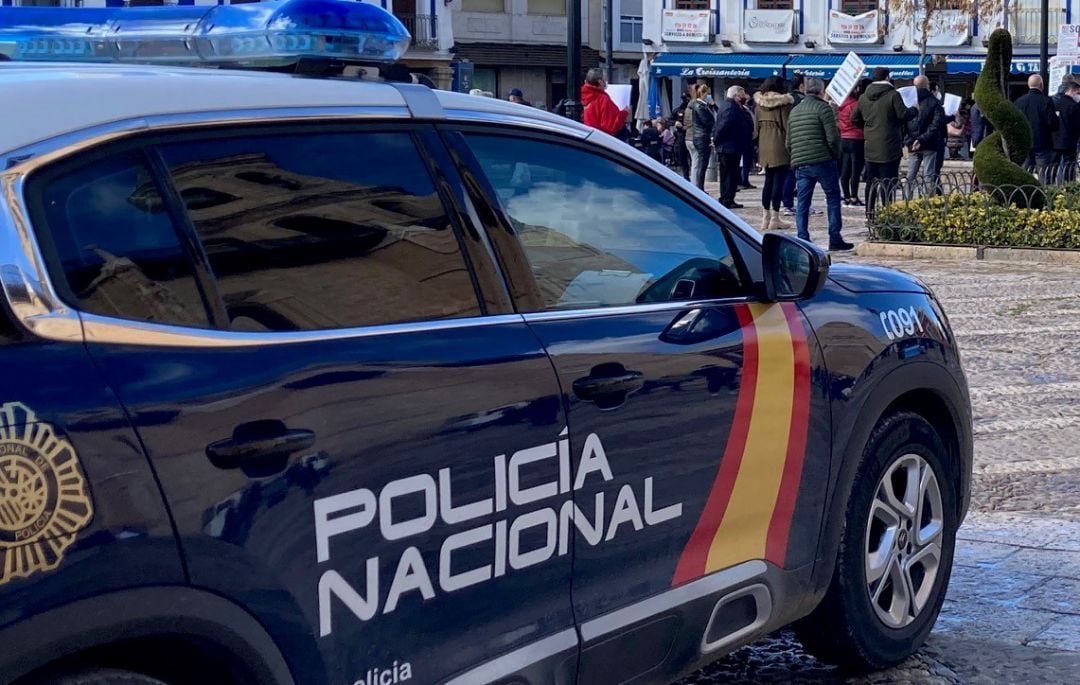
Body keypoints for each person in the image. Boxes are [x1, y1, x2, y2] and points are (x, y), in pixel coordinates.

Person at [786, 77, 852, 251]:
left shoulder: (795, 110)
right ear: (822, 91)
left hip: (801, 163)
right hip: (822, 160)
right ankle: (835, 237)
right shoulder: (824, 109)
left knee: (802, 202)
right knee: (832, 198)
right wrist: (835, 155)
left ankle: (803, 238)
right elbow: (833, 138)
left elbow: (788, 142)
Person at [852, 66, 917, 208]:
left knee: (871, 180)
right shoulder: (893, 95)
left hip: (870, 145)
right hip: (890, 144)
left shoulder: (863, 97)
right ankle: (887, 212)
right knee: (888, 181)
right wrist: (914, 109)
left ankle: (870, 212)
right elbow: (903, 115)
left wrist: (868, 129)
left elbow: (854, 118)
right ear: (887, 77)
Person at [753, 76, 794, 231]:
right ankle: (775, 218)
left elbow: (756, 129)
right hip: (780, 144)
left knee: (768, 181)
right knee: (779, 181)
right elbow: (788, 127)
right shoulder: (784, 105)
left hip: (764, 145)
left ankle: (765, 217)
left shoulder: (758, 106)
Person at [713, 85, 753, 209]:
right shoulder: (730, 107)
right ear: (736, 95)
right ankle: (727, 199)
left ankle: (728, 198)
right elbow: (723, 125)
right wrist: (716, 140)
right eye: (742, 95)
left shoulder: (730, 106)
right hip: (729, 147)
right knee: (729, 175)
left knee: (730, 174)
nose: (744, 97)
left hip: (732, 146)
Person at [905, 75, 945, 195]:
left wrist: (909, 141)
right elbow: (936, 125)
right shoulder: (934, 102)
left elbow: (904, 122)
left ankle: (906, 202)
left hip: (912, 144)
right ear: (927, 86)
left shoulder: (909, 101)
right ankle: (927, 203)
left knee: (910, 176)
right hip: (929, 143)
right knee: (928, 175)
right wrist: (922, 139)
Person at [1014, 74, 1058, 182]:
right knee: (1044, 176)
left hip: (1024, 143)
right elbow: (1053, 123)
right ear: (1041, 85)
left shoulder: (1019, 102)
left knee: (1024, 175)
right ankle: (1044, 196)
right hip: (1042, 143)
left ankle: (1023, 196)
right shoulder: (1046, 101)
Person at [838, 78, 870, 207]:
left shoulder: (842, 104)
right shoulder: (856, 104)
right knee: (855, 170)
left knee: (845, 170)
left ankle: (846, 196)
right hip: (856, 138)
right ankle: (854, 196)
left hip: (844, 138)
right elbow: (858, 119)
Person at [782, 74, 809, 215]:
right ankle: (794, 203)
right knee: (799, 174)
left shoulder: (786, 99)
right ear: (801, 86)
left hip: (788, 139)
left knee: (790, 173)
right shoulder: (801, 100)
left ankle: (787, 202)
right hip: (801, 140)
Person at [581, 67, 630, 140]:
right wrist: (624, 113)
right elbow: (610, 125)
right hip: (602, 140)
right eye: (605, 79)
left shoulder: (582, 95)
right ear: (600, 82)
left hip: (588, 137)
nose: (606, 81)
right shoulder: (603, 99)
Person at [685, 84, 715, 191]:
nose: (709, 96)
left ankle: (699, 187)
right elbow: (707, 121)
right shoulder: (699, 106)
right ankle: (699, 188)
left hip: (700, 135)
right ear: (703, 93)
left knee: (701, 164)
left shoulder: (703, 106)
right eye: (708, 93)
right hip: (701, 136)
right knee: (701, 164)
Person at [1052, 78, 1080, 183]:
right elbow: (1077, 125)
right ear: (1072, 91)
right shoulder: (1074, 106)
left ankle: (1051, 188)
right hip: (1070, 142)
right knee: (1069, 168)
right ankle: (1068, 188)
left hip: (1055, 141)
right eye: (1078, 92)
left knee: (1053, 168)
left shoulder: (1054, 103)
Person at [671, 92, 692, 179]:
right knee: (682, 155)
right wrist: (675, 122)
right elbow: (669, 120)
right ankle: (686, 175)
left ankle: (692, 173)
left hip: (691, 134)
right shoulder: (677, 110)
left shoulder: (692, 110)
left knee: (692, 156)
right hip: (681, 135)